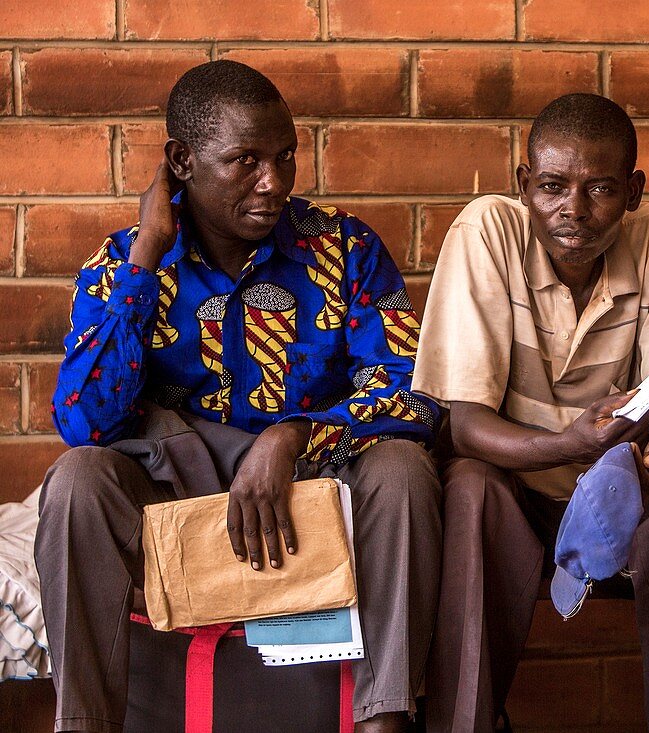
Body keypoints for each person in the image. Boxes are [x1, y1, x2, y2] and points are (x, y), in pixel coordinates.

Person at [36, 60, 442, 733]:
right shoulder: (123, 263)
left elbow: (410, 390)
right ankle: (84, 724)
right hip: (177, 496)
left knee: (404, 470)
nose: (274, 182)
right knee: (77, 480)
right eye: (244, 161)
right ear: (181, 161)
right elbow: (84, 420)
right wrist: (147, 257)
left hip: (312, 489)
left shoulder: (344, 248)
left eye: (285, 157)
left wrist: (294, 436)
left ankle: (384, 719)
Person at [413, 93, 649, 732]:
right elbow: (467, 427)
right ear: (523, 186)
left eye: (599, 189)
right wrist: (570, 444)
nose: (573, 210)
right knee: (469, 490)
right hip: (516, 483)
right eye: (551, 187)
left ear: (633, 191)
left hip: (623, 488)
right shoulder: (487, 230)